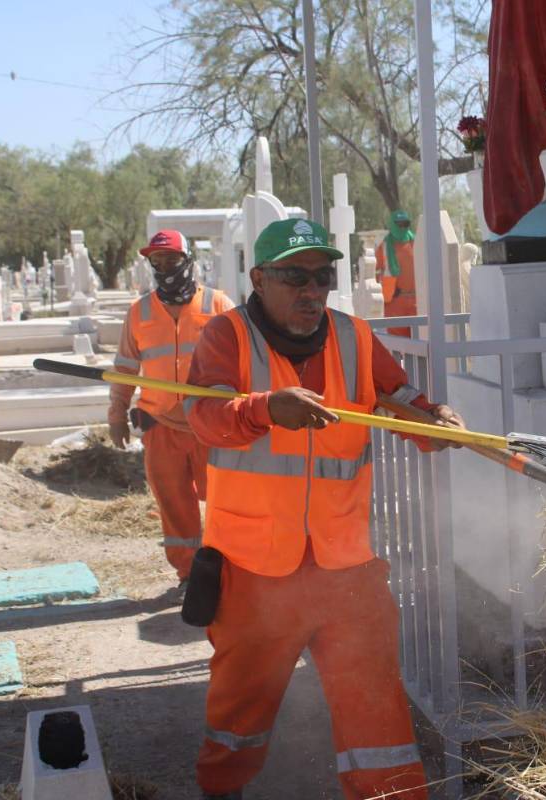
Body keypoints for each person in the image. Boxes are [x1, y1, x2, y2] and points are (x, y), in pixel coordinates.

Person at [184, 217, 465, 800]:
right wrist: (262, 409)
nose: (311, 290)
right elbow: (206, 419)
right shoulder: (225, 337)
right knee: (239, 708)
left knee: (374, 707)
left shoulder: (355, 337)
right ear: (259, 279)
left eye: (322, 276)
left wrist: (434, 425)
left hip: (346, 566)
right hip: (254, 570)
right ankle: (223, 790)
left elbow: (400, 398)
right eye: (294, 276)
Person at [108, 229, 234, 585]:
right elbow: (125, 368)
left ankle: (229, 569)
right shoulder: (140, 312)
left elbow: (240, 365)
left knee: (225, 501)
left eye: (172, 260)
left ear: (188, 261)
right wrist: (117, 414)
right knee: (175, 506)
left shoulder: (218, 305)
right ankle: (189, 575)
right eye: (157, 262)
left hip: (210, 425)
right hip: (161, 425)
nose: (164, 267)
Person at [374, 210, 417, 336]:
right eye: (399, 224)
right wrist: (385, 288)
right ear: (392, 225)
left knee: (422, 345)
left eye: (405, 224)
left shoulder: (417, 243)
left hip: (417, 302)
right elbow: (374, 271)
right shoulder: (384, 246)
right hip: (394, 302)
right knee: (398, 347)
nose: (402, 227)